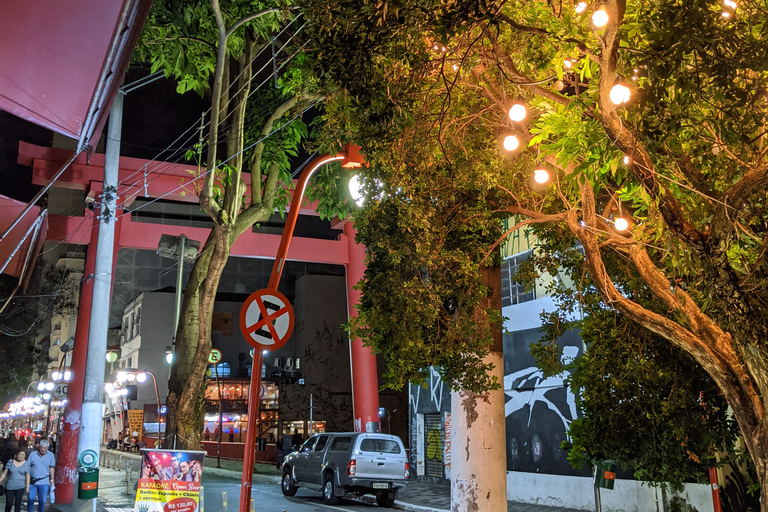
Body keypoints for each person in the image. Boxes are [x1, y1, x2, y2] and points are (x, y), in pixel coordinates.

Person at [27, 440, 54, 512]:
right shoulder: (32, 454)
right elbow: (27, 467)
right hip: (33, 482)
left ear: (47, 448)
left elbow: (51, 468)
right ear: (39, 447)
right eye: (42, 447)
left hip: (44, 482)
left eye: (45, 448)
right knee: (30, 499)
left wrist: (52, 479)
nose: (43, 449)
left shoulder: (51, 455)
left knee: (42, 501)